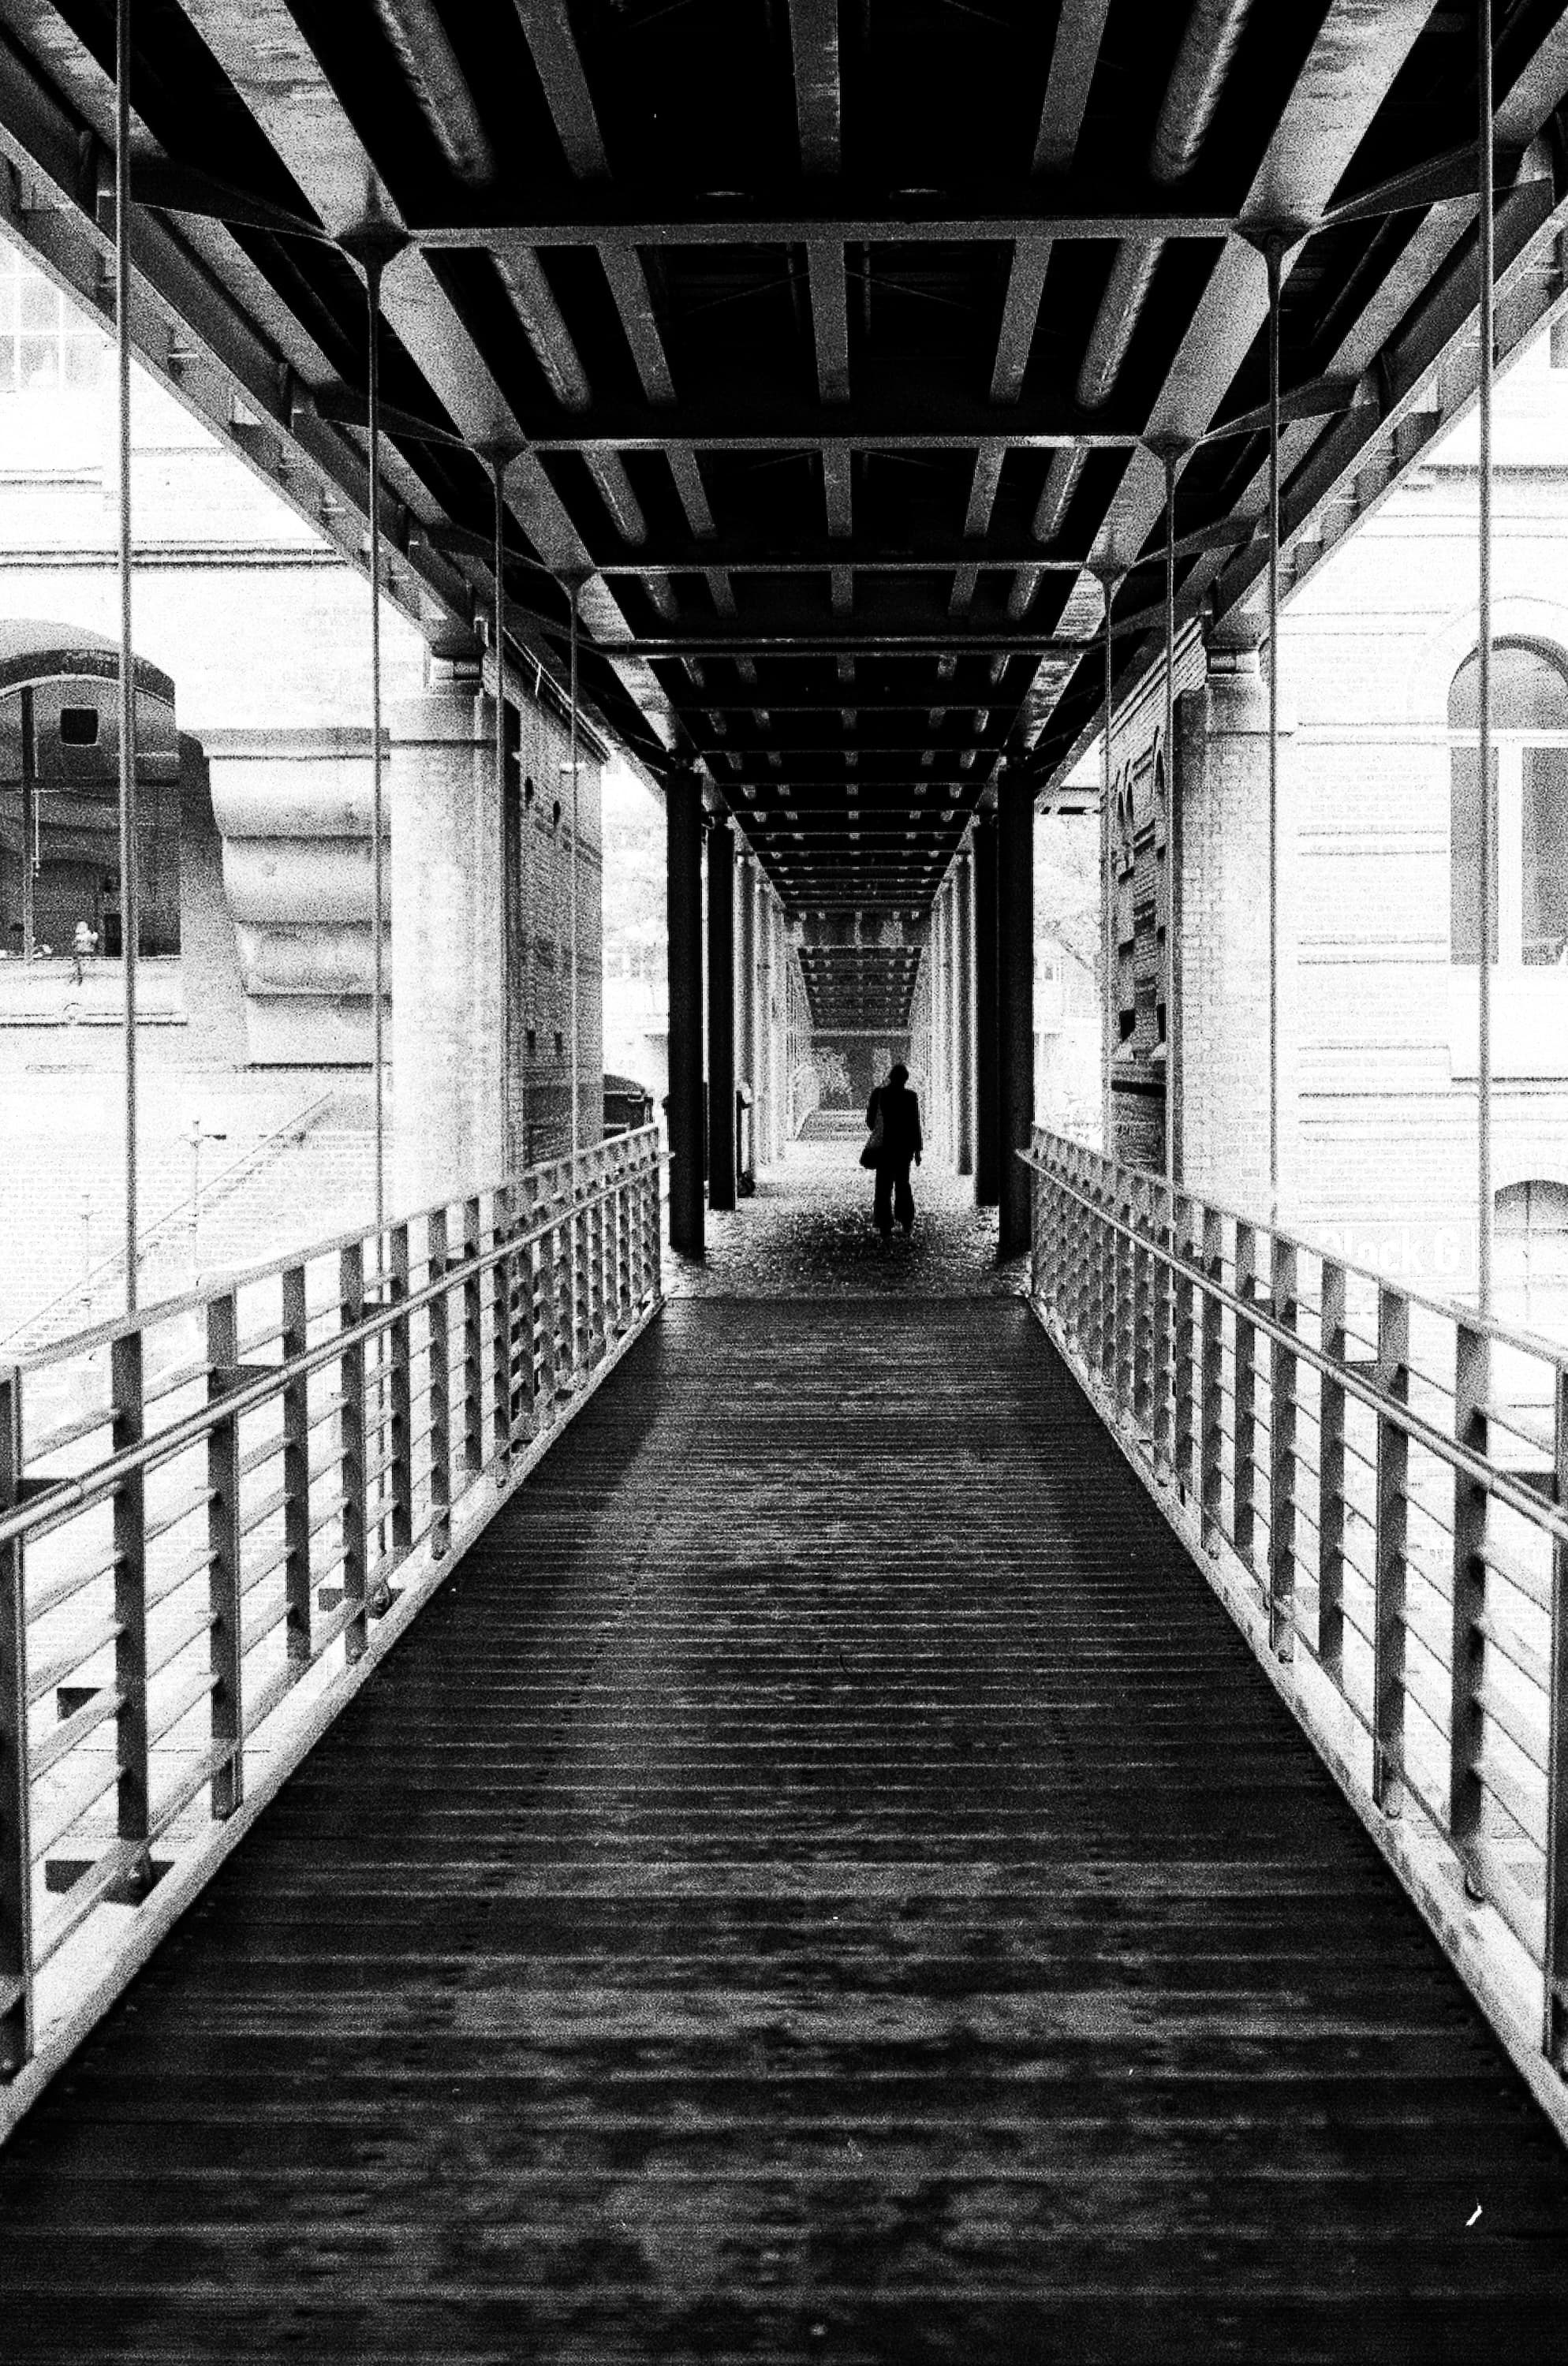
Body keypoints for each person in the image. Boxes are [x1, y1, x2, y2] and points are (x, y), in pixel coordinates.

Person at [864, 1062, 923, 1237]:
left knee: (883, 1186)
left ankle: (884, 1223)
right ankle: (906, 1220)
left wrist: (882, 1131)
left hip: (884, 1147)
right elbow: (915, 1124)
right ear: (906, 1080)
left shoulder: (879, 1094)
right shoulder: (911, 1097)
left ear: (890, 1077)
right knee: (903, 1184)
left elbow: (870, 1120)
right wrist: (918, 1150)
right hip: (904, 1148)